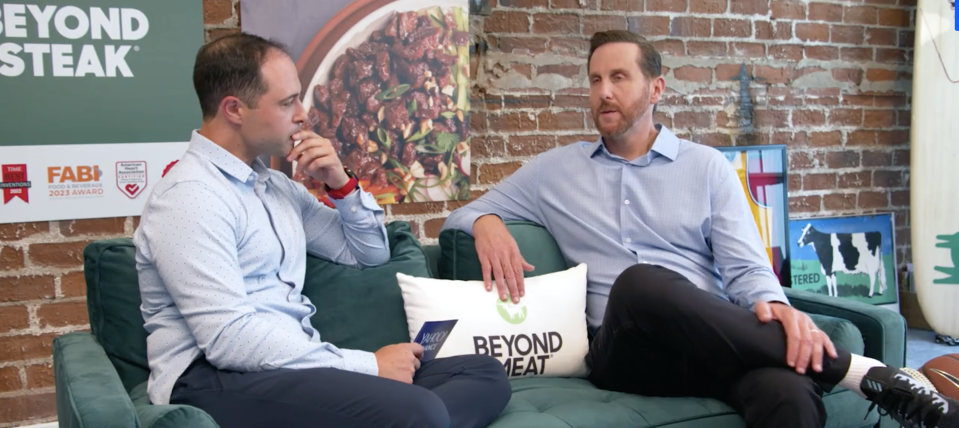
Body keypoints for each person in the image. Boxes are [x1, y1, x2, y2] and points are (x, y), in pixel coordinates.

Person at [442, 29, 957, 428]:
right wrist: (487, 221)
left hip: (712, 341)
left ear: (656, 88)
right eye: (596, 80)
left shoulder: (707, 168)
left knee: (789, 393)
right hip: (626, 351)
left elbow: (746, 268)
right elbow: (460, 214)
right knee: (642, 281)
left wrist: (777, 308)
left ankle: (851, 377)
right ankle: (864, 374)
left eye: (619, 77)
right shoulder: (555, 171)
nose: (603, 92)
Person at [133, 33, 510, 428]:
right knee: (421, 411)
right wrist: (369, 366)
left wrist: (340, 183)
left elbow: (368, 254)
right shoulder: (189, 196)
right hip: (210, 378)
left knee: (483, 374)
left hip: (293, 366)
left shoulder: (276, 188)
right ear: (234, 109)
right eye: (286, 102)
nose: (303, 114)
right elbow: (229, 340)